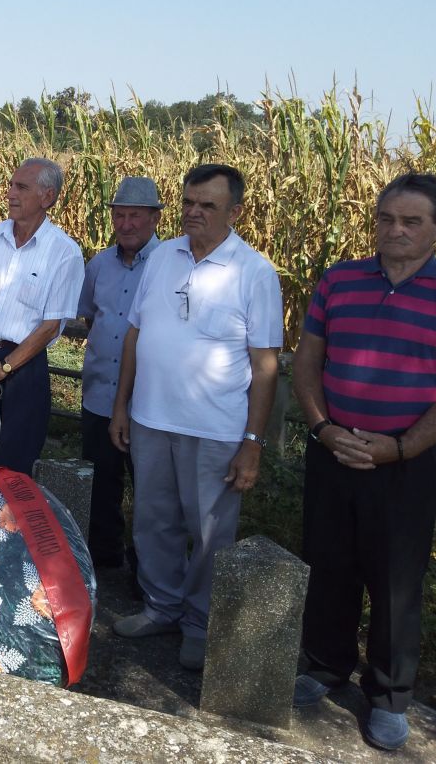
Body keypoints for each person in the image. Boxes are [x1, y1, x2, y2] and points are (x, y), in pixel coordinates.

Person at [290, 173, 436, 751]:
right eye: (387, 219)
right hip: (334, 449)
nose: (396, 230)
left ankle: (388, 695)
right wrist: (323, 429)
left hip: (408, 462)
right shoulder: (339, 279)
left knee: (397, 580)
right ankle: (324, 666)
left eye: (411, 222)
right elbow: (307, 361)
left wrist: (402, 446)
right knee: (329, 563)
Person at [109, 163, 282, 672]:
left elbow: (265, 364)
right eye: (188, 202)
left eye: (207, 205)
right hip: (151, 418)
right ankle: (161, 606)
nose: (194, 213)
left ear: (236, 211)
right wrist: (122, 406)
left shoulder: (254, 272)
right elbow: (136, 334)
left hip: (215, 427)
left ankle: (200, 624)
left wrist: (253, 439)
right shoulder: (162, 256)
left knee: (209, 532)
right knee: (153, 521)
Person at [0, 158, 84, 475]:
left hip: (22, 367)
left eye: (21, 187)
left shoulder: (64, 252)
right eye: (10, 185)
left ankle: (9, 526)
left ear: (47, 196)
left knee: (14, 468)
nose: (10, 193)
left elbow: (50, 327)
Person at [77, 176, 162, 570]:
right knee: (100, 484)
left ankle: (146, 572)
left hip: (148, 402)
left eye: (135, 216)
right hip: (98, 395)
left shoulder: (169, 266)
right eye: (120, 215)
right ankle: (104, 562)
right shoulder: (97, 265)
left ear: (155, 219)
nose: (126, 224)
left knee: (150, 491)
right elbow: (90, 315)